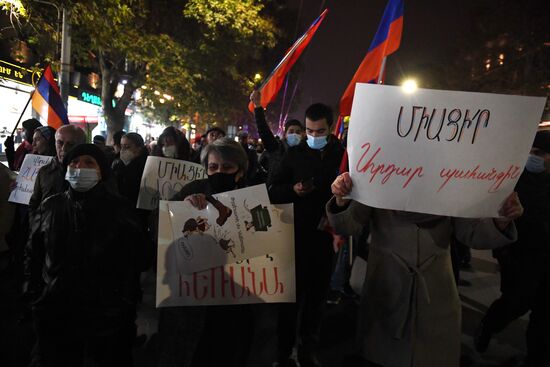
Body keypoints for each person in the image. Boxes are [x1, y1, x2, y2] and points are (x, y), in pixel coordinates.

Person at [327, 172, 522, 367]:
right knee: (383, 353)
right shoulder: (378, 167)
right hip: (386, 285)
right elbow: (348, 224)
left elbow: (471, 232)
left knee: (431, 354)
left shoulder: (452, 174)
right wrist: (341, 198)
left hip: (436, 288)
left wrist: (500, 221)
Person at [24, 144, 150, 367]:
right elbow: (33, 253)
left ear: (101, 171)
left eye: (89, 163)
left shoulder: (121, 209)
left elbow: (138, 258)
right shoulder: (50, 206)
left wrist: (125, 303)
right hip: (57, 309)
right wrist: (35, 295)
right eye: (74, 163)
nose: (79, 167)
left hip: (106, 315)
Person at [157, 137, 254, 367]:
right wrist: (182, 209)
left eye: (227, 167)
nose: (219, 172)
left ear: (240, 170)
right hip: (195, 301)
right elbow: (160, 227)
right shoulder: (192, 190)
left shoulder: (254, 197)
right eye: (213, 167)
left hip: (235, 299)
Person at [269, 103, 344, 367]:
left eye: (320, 130)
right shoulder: (294, 154)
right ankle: (283, 351)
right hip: (294, 237)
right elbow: (272, 190)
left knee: (316, 298)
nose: (313, 136)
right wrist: (293, 190)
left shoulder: (344, 154)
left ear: (332, 127)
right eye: (309, 130)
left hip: (326, 238)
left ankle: (307, 348)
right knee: (290, 299)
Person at [475, 130, 550, 367]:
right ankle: (488, 326)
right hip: (521, 258)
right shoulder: (514, 179)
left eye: (539, 153)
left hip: (547, 262)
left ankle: (535, 359)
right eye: (531, 151)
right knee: (515, 303)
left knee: (544, 316)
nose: (533, 157)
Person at [28, 124, 87, 219]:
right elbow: (34, 204)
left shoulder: (90, 173)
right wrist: (36, 226)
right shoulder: (44, 171)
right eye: (60, 143)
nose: (64, 149)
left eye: (70, 144)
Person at [250, 90, 304, 184]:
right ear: (285, 134)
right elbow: (264, 130)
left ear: (303, 135)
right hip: (275, 194)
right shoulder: (276, 147)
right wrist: (258, 106)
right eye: (291, 131)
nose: (294, 134)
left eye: (298, 132)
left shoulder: (306, 151)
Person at [111, 132, 150, 226]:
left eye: (127, 147)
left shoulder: (147, 167)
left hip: (138, 217)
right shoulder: (118, 164)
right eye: (121, 146)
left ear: (139, 149)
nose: (122, 150)